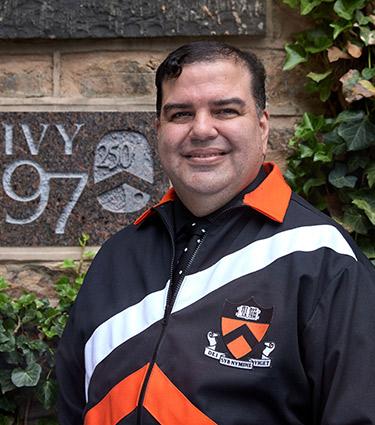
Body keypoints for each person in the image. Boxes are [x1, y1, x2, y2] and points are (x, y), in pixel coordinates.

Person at [56, 41, 375, 425]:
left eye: (225, 110)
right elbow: (73, 406)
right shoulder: (117, 258)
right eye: (180, 114)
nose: (202, 129)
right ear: (159, 130)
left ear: (262, 124)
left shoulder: (321, 258)